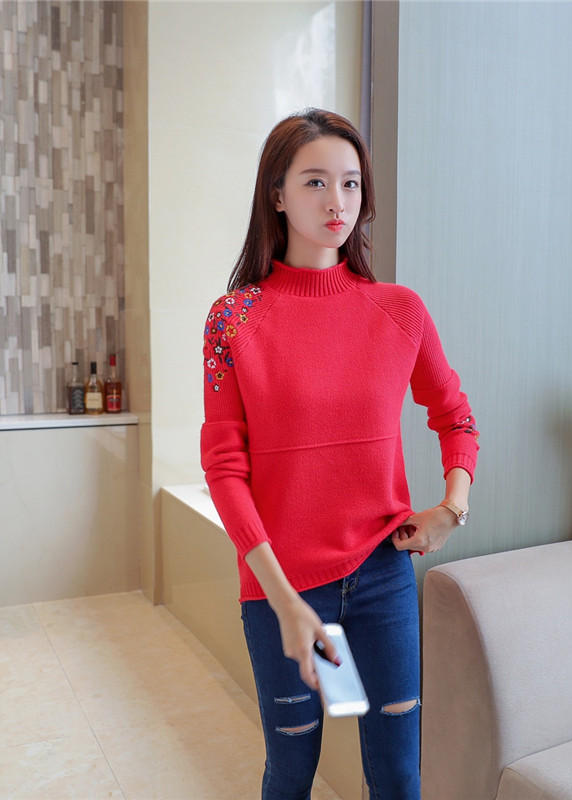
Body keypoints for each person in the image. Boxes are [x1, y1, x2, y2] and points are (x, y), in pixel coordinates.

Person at [201, 108, 479, 800]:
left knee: (398, 775)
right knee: (291, 772)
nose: (337, 202)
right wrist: (284, 600)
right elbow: (224, 468)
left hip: (383, 577)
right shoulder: (233, 319)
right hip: (281, 585)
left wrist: (452, 508)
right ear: (277, 194)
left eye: (351, 184)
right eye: (316, 181)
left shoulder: (399, 310)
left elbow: (455, 416)